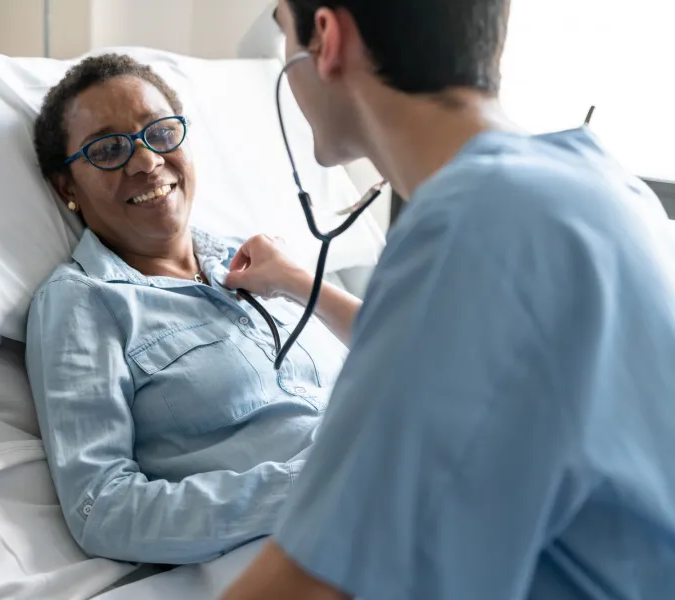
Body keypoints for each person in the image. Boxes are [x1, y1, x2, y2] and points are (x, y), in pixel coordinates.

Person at [221, 1, 675, 599]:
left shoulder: (478, 223)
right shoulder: (593, 186)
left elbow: (313, 583)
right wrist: (299, 282)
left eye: (284, 32)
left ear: (325, 39)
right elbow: (460, 363)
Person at [24, 53, 359, 566]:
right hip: (330, 537)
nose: (145, 162)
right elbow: (103, 509)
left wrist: (297, 281)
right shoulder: (83, 301)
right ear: (66, 186)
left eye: (161, 133)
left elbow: (406, 354)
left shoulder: (258, 259)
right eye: (109, 149)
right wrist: (318, 484)